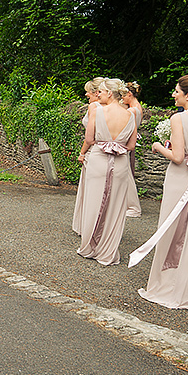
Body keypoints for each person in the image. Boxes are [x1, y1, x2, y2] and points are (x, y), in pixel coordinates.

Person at [130, 75, 188, 309]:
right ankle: (187, 287)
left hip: (180, 179)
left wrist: (159, 146)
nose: (173, 94)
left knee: (172, 229)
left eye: (176, 91)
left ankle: (168, 286)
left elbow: (179, 158)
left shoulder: (179, 118)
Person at [72, 80, 139, 265]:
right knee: (115, 206)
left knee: (93, 201)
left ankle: (89, 246)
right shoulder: (130, 115)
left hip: (99, 160)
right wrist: (117, 145)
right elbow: (131, 146)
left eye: (101, 91)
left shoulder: (97, 110)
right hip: (120, 164)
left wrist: (104, 143)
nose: (98, 94)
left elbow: (89, 138)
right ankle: (108, 251)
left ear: (110, 93)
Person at [120, 81, 145, 200]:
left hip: (127, 141)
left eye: (123, 95)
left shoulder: (131, 111)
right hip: (132, 140)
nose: (122, 98)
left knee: (125, 173)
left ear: (129, 94)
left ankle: (127, 199)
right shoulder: (138, 107)